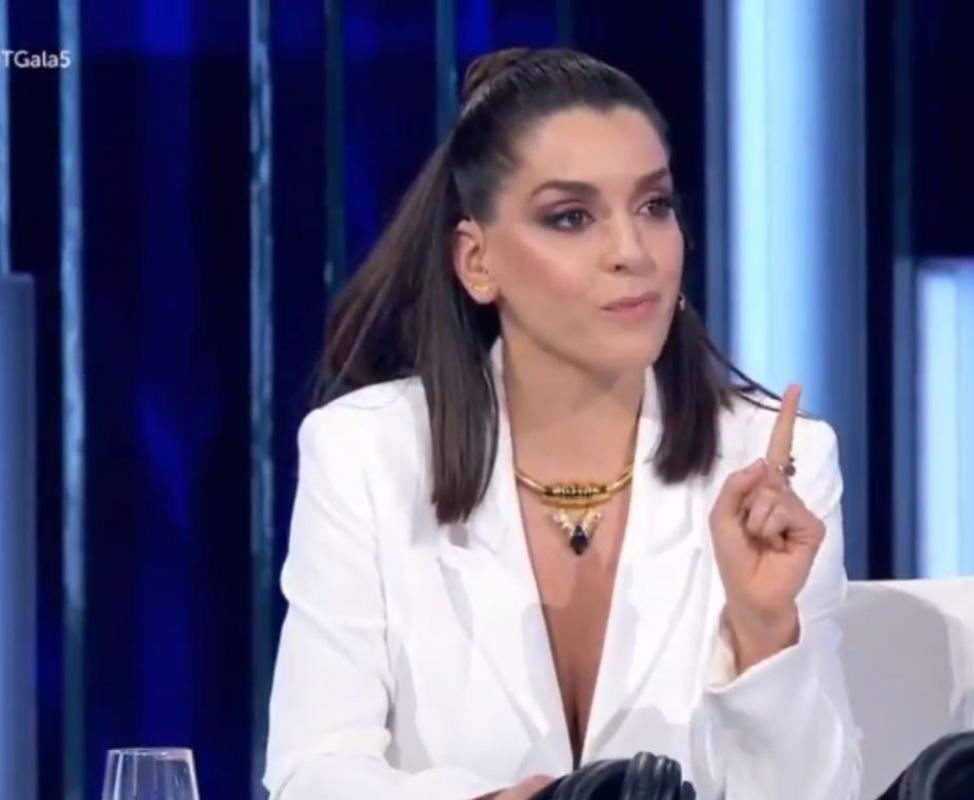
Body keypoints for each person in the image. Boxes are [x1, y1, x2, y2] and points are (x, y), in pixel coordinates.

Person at [262, 47, 863, 800]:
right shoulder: (365, 454)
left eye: (654, 206)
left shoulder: (776, 461)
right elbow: (311, 773)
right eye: (572, 217)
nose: (632, 252)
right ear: (477, 261)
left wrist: (764, 631)